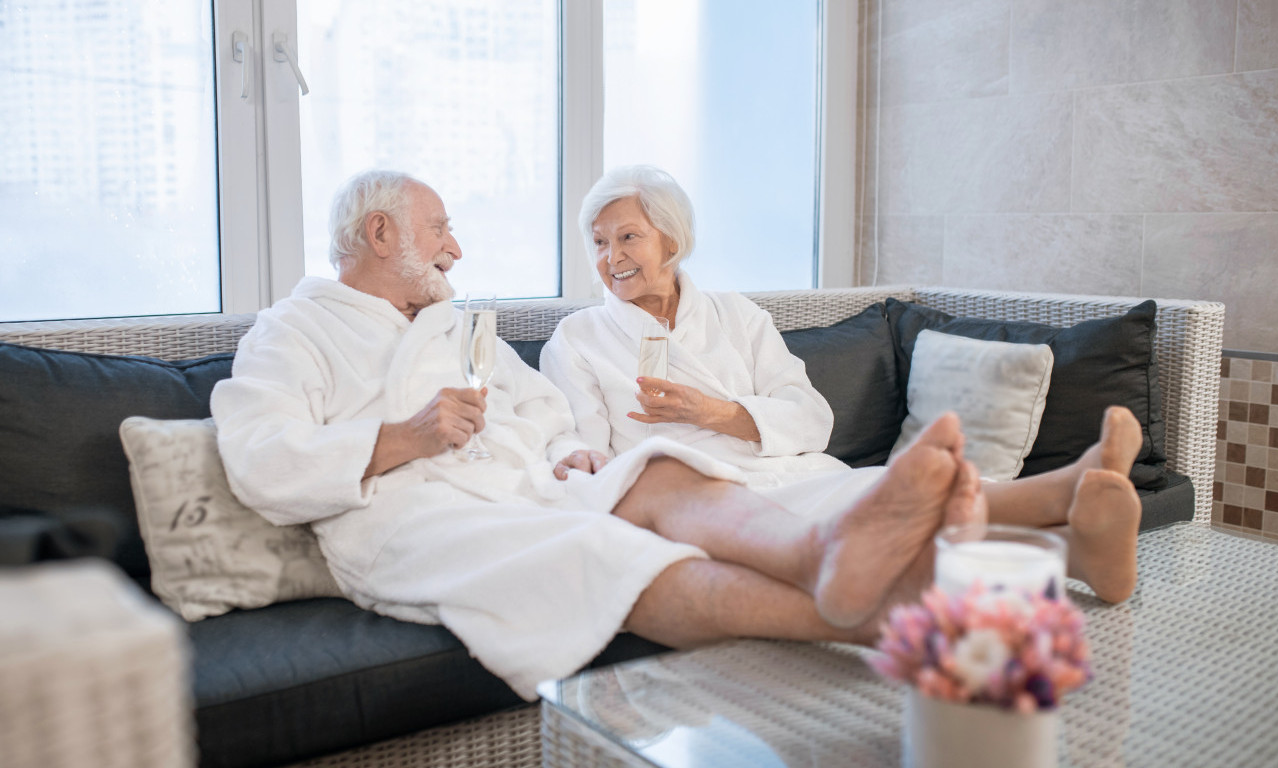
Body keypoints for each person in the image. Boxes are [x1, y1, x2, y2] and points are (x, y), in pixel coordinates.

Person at [210, 169, 982, 701]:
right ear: (381, 233)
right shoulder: (291, 333)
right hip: (409, 518)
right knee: (609, 550)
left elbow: (541, 410)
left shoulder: (458, 326)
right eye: (439, 228)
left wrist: (564, 451)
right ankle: (867, 613)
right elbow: (258, 459)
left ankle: (821, 556)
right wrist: (402, 438)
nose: (455, 247)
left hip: (521, 490)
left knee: (652, 468)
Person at [540, 164, 1144, 606]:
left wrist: (716, 413)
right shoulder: (578, 340)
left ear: (671, 239)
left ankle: (1077, 540)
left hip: (791, 471)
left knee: (875, 491)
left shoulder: (736, 315)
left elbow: (811, 416)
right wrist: (574, 455)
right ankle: (1069, 503)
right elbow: (582, 449)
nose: (610, 257)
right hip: (710, 502)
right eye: (598, 241)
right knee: (881, 500)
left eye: (627, 237)